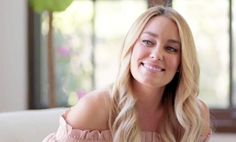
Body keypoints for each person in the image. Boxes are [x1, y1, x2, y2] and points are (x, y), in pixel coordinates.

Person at [43, 5, 211, 142]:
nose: (157, 54)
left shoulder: (194, 115)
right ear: (130, 48)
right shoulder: (93, 109)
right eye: (147, 42)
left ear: (182, 62)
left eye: (171, 48)